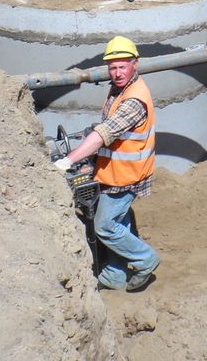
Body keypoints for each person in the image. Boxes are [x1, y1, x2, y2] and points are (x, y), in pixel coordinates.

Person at [53, 35, 160, 291]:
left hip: (126, 175)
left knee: (106, 227)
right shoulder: (120, 88)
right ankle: (114, 275)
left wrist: (68, 160)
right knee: (120, 222)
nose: (117, 72)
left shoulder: (134, 100)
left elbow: (105, 133)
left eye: (122, 66)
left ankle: (145, 259)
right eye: (112, 67)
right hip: (114, 171)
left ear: (135, 64)